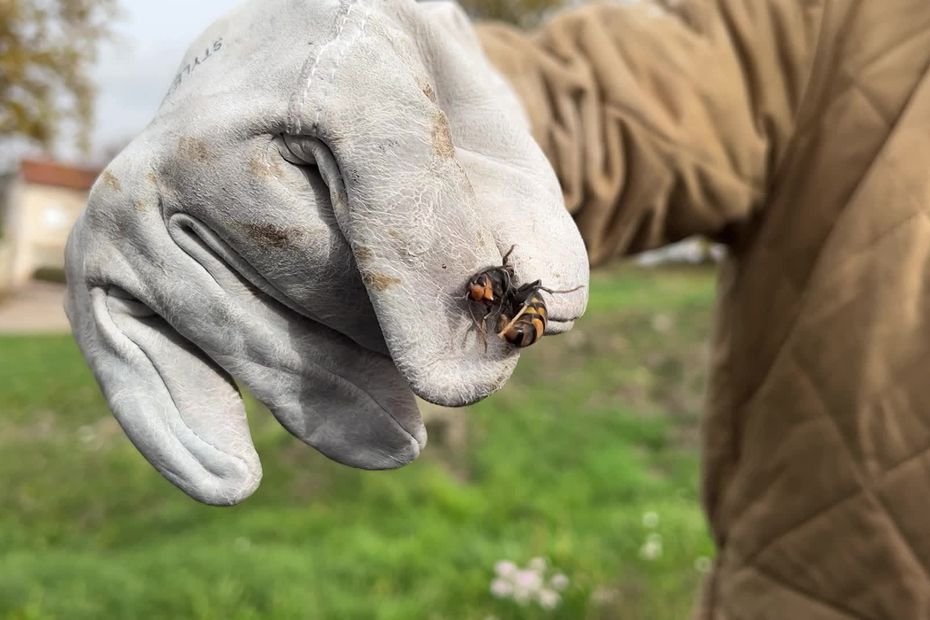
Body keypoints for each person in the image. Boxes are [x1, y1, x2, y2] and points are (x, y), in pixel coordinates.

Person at [65, 0, 930, 617]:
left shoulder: (505, 304)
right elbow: (606, 105)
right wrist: (413, 92)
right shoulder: (848, 24)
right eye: (509, 309)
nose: (507, 312)